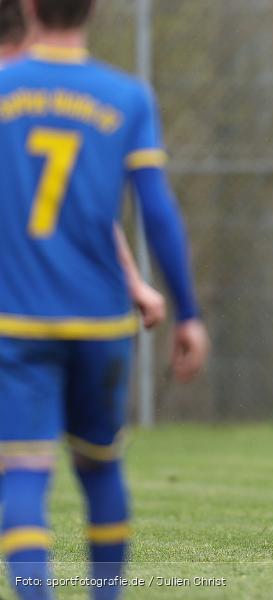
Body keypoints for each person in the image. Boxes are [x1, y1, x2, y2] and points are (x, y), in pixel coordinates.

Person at [0, 1, 209, 598]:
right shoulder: (126, 96)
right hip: (98, 322)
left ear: (30, 8)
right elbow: (158, 213)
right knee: (100, 468)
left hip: (15, 323)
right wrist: (187, 311)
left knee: (23, 472)